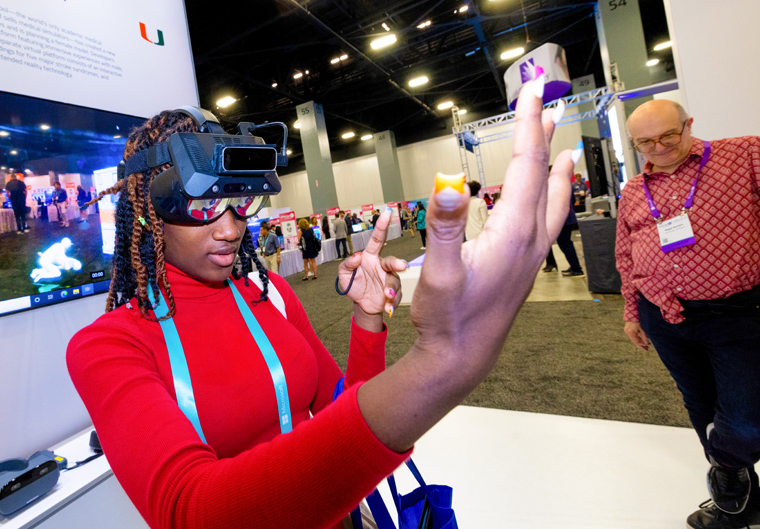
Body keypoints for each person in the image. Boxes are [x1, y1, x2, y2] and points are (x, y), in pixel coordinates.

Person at [67, 80, 573, 529]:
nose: (229, 228)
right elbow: (193, 512)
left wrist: (367, 319)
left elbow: (340, 407)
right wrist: (442, 361)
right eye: (203, 206)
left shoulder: (270, 294)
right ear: (148, 213)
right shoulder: (108, 346)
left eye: (240, 201)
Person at [615, 99, 760, 529]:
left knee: (747, 413)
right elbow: (626, 256)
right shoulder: (632, 191)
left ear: (688, 125)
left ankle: (727, 472)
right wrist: (631, 312)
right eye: (644, 142)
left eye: (668, 136)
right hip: (664, 315)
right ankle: (741, 501)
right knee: (700, 402)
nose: (657, 147)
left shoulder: (744, 155)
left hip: (736, 311)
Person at [542, 186, 583, 276]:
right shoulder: (564, 183)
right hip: (565, 217)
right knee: (564, 243)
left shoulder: (559, 184)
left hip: (563, 219)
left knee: (565, 244)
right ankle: (574, 266)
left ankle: (577, 269)